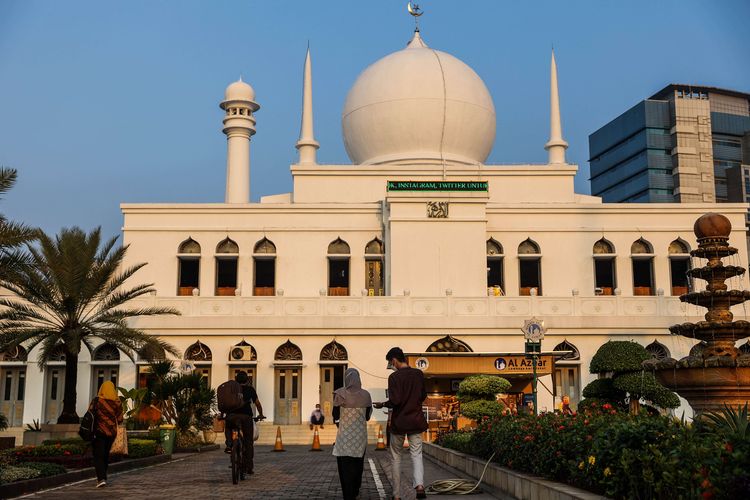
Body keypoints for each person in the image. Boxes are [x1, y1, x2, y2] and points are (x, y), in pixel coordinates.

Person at [373, 347, 428, 500]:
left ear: (394, 360)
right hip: (416, 420)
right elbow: (423, 395)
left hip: (399, 423)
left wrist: (383, 404)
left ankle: (396, 495)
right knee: (416, 454)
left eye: (391, 363)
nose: (391, 366)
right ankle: (420, 486)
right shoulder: (418, 374)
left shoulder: (394, 378)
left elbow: (395, 401)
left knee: (396, 457)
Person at [332, 368, 372, 500]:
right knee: (357, 465)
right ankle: (355, 489)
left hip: (344, 437)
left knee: (344, 467)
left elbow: (335, 415)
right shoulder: (366, 395)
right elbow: (367, 417)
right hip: (359, 437)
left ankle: (348, 494)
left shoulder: (340, 394)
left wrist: (340, 423)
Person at [224, 371, 264, 475]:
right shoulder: (250, 389)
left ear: (236, 380)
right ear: (247, 380)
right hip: (246, 417)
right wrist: (261, 414)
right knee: (248, 442)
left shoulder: (232, 390)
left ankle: (229, 444)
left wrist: (222, 414)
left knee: (228, 426)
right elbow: (258, 404)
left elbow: (225, 403)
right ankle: (249, 467)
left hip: (232, 416)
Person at [89, 381, 123, 488]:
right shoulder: (117, 402)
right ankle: (103, 476)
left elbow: (90, 413)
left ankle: (101, 478)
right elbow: (120, 419)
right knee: (105, 455)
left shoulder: (97, 401)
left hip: (98, 432)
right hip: (111, 433)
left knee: (98, 455)